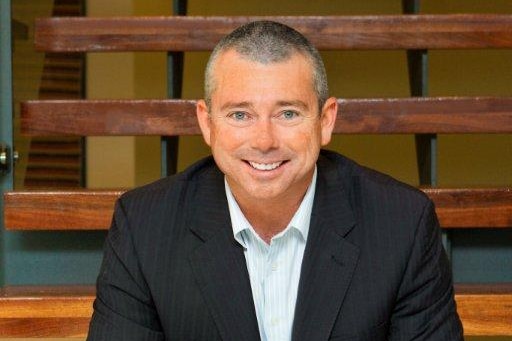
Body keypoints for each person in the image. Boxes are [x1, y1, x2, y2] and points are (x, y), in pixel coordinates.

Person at [87, 21, 463, 341]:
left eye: (287, 113)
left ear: (326, 120)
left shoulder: (401, 223)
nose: (264, 141)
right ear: (206, 123)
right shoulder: (144, 225)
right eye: (239, 115)